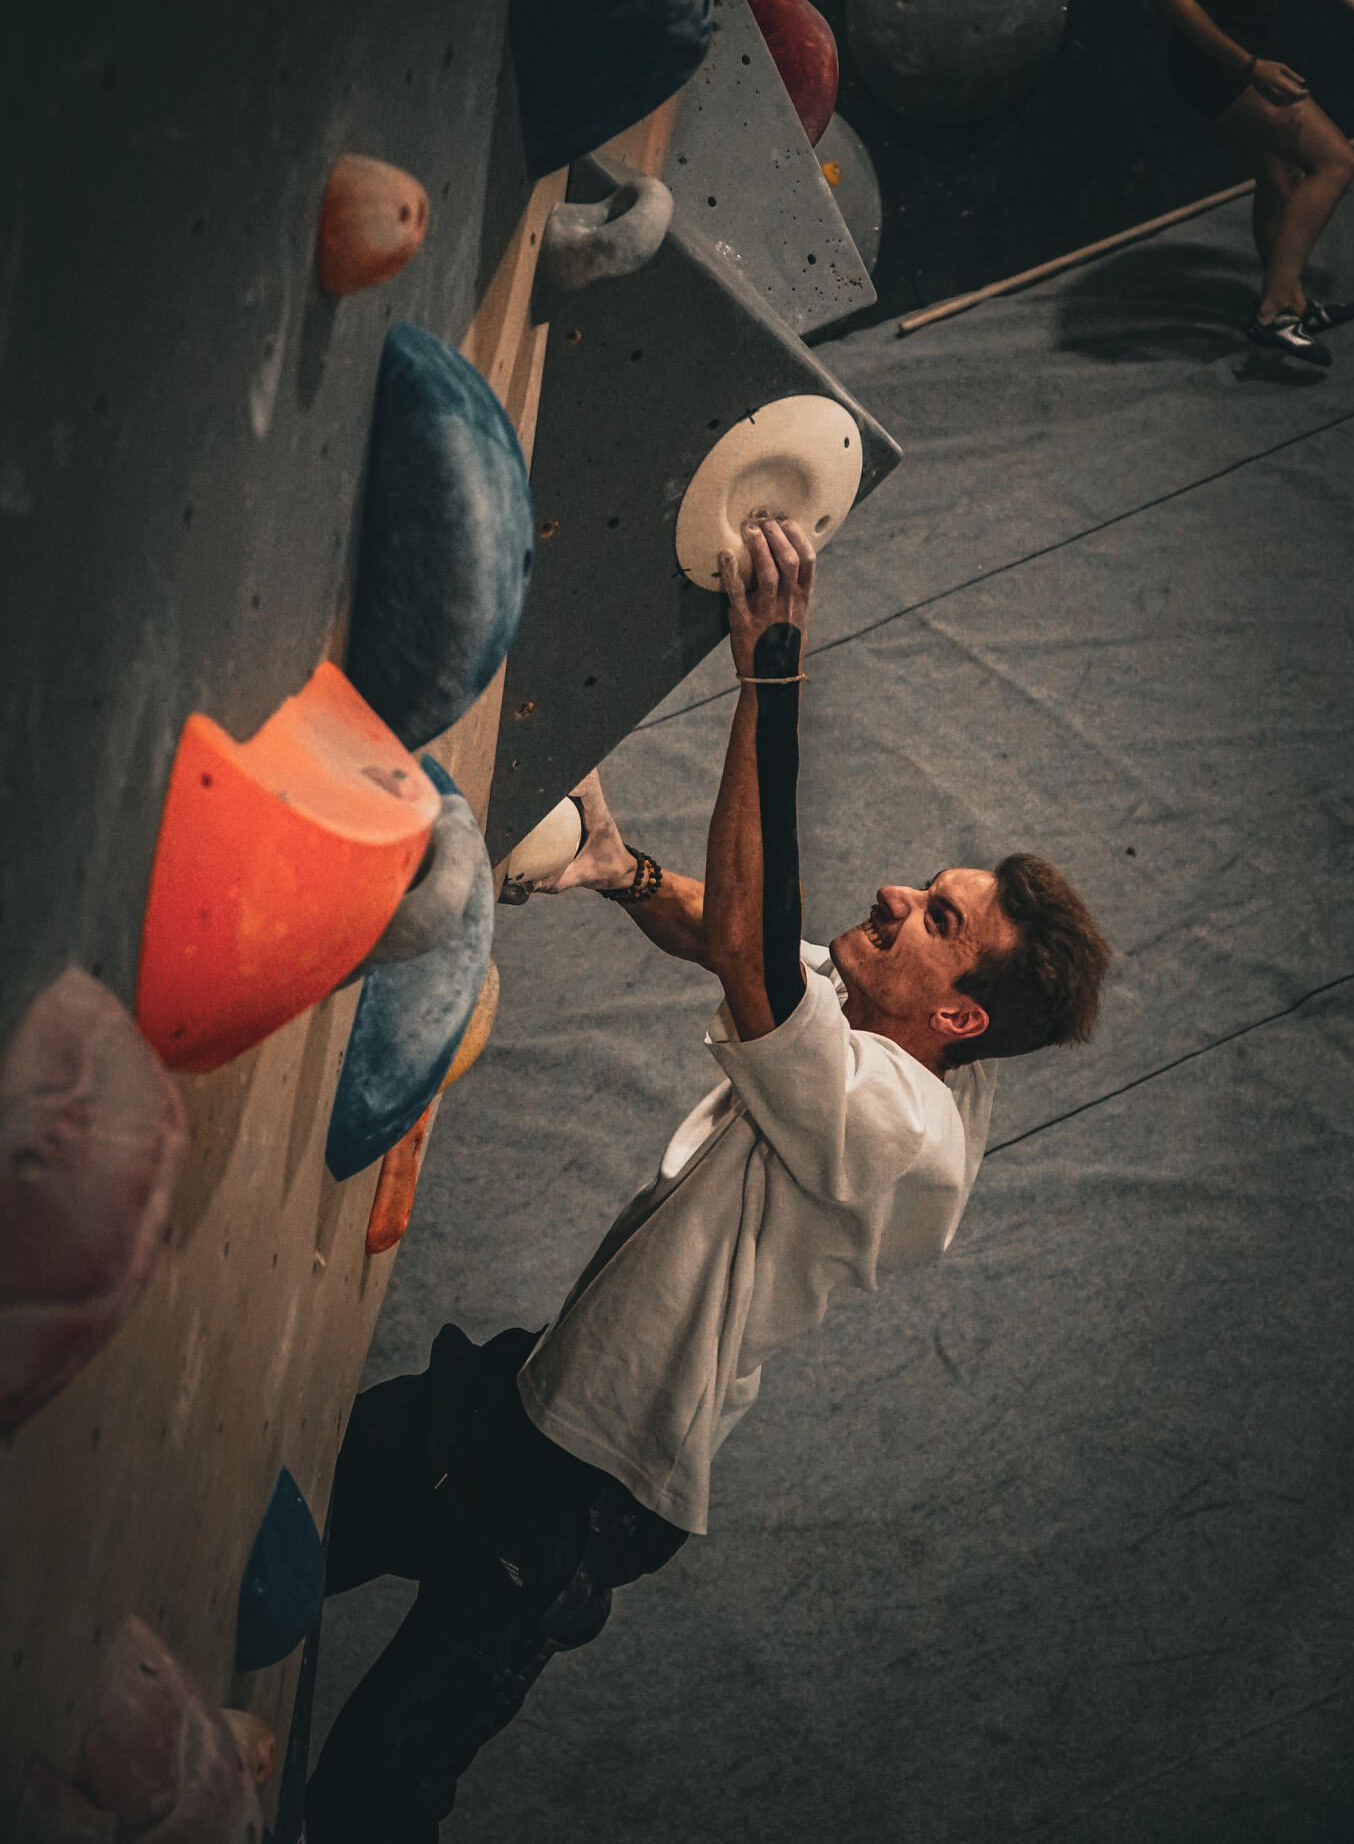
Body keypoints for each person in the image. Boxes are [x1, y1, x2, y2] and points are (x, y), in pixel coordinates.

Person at [305, 517, 1111, 1843]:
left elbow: (749, 950)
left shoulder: (897, 1127)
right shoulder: (900, 1024)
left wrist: (769, 676)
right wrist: (622, 871)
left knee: (377, 1786)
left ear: (959, 1016)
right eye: (928, 887)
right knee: (297, 1499)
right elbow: (734, 936)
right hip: (538, 1395)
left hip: (585, 1484)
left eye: (938, 917)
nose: (894, 892)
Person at [1161, 0, 1354, 364]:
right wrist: (1250, 67)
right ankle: (1273, 312)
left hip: (1253, 36)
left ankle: (1292, 301)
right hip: (1214, 58)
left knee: (1280, 177)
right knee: (1335, 160)